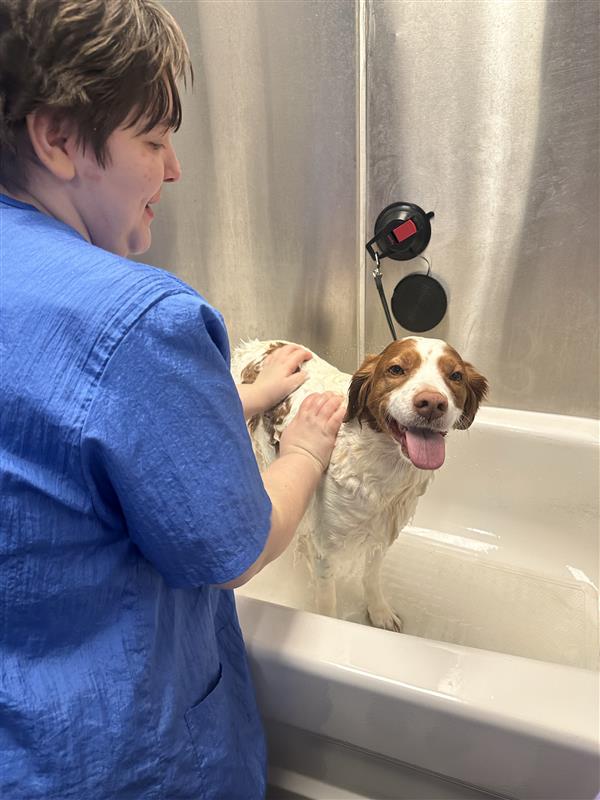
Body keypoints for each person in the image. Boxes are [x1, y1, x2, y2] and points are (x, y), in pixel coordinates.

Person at [0, 2, 345, 798]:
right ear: (57, 138)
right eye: (154, 140)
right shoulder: (140, 320)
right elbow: (237, 551)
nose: (176, 169)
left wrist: (239, 399)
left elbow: (57, 436)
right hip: (111, 765)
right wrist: (303, 451)